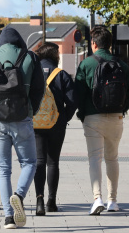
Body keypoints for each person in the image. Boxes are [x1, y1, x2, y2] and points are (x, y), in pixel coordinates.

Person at [0, 27, 44, 229]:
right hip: (23, 118)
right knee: (30, 162)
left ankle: (8, 217)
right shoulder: (30, 58)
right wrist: (31, 110)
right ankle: (19, 195)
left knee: (4, 169)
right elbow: (40, 89)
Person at [75, 26, 129, 215]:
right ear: (109, 44)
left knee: (95, 158)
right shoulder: (122, 65)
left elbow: (79, 93)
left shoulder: (86, 64)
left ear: (93, 44)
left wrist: (82, 113)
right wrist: (121, 111)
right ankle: (113, 201)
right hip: (116, 117)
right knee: (112, 158)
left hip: (92, 117)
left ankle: (97, 198)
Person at [33, 42, 78, 216]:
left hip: (36, 124)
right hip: (56, 125)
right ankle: (52, 201)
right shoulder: (62, 75)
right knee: (53, 162)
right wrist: (63, 117)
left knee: (39, 161)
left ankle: (39, 201)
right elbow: (73, 101)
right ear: (55, 56)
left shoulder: (33, 75)